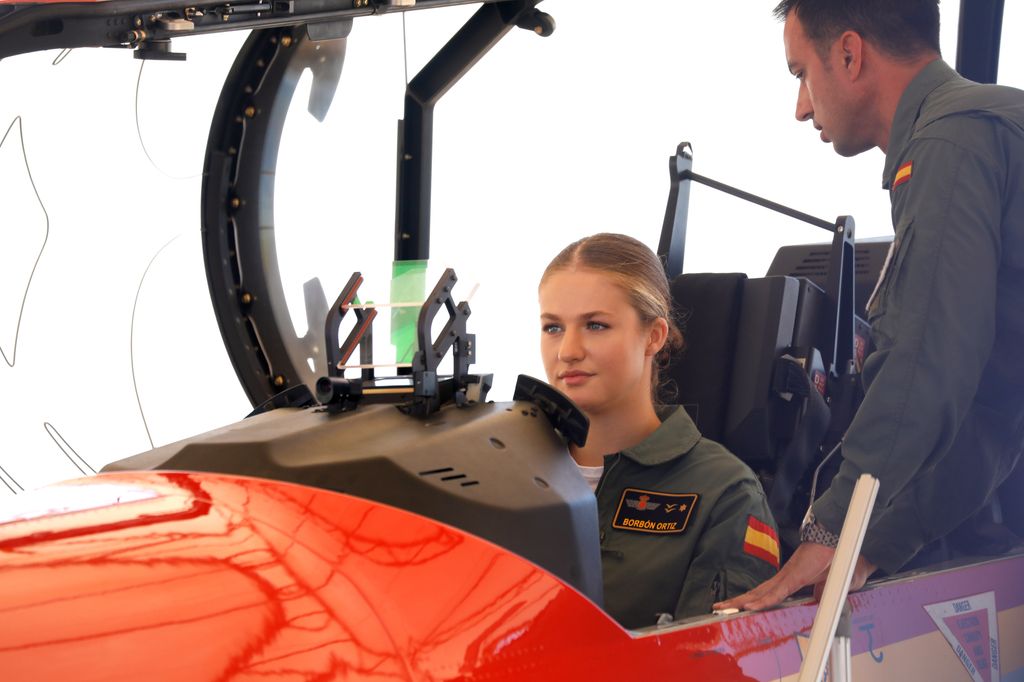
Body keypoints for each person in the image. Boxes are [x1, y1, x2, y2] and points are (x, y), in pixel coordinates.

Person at [717, 0, 1024, 612]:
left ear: (850, 55)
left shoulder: (952, 142)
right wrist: (868, 543)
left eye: (801, 73)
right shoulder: (984, 126)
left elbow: (922, 366)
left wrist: (830, 529)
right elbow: (994, 412)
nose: (801, 107)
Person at [538, 232, 779, 627]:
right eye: (553, 328)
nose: (567, 351)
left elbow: (718, 664)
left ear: (654, 336)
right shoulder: (504, 468)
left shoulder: (725, 495)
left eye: (595, 325)